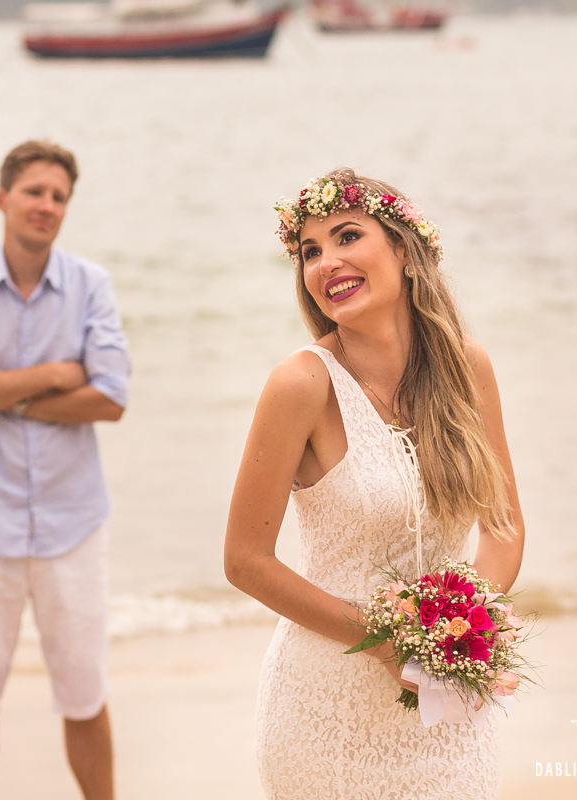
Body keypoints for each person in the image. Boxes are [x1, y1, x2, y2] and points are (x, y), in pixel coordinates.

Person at [223, 168, 525, 798]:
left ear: (404, 251)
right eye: (310, 252)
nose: (326, 262)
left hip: (446, 706)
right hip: (324, 714)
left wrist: (463, 626)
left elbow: (502, 526)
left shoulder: (467, 366)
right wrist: (384, 641)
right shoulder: (301, 384)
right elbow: (246, 560)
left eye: (347, 236)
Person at [0, 140, 130, 800]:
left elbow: (110, 398)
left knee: (84, 696)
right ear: (2, 198)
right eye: (35, 191)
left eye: (59, 196)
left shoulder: (90, 285)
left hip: (75, 526)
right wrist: (50, 375)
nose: (47, 205)